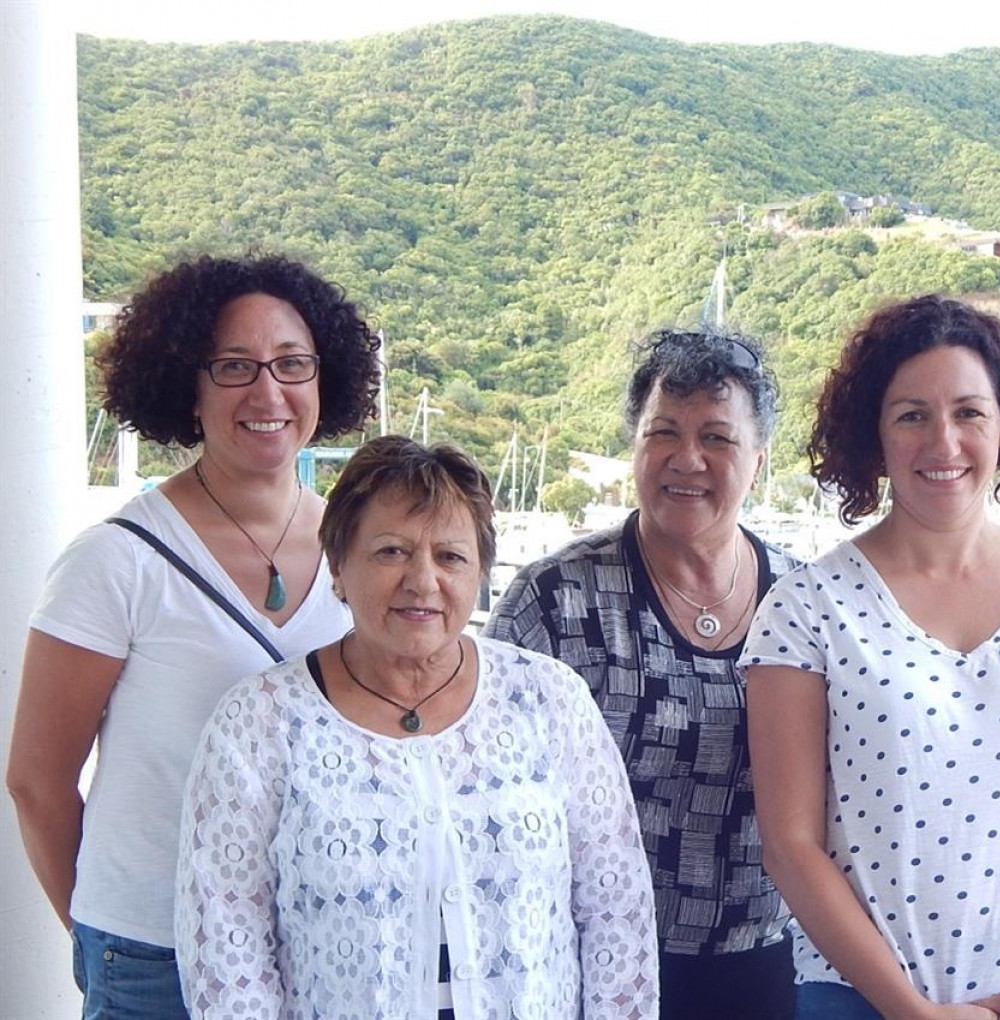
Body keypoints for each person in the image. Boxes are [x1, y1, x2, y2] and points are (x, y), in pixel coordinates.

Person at [741, 294, 1000, 1020]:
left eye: (969, 412)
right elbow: (791, 844)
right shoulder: (806, 610)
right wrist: (910, 1010)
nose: (944, 442)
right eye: (912, 415)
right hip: (864, 1003)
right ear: (874, 433)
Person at [6, 253, 379, 1019]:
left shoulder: (363, 543)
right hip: (157, 953)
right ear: (190, 386)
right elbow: (37, 780)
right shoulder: (116, 561)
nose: (268, 392)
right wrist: (98, 934)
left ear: (323, 379)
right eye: (235, 366)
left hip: (325, 943)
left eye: (291, 364)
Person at [174, 435, 658, 1019]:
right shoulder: (258, 724)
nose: (423, 580)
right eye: (391, 552)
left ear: (479, 571)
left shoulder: (549, 699)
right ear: (339, 566)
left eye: (450, 556)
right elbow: (228, 954)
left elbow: (616, 913)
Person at [485, 328, 800, 1020]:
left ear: (758, 459)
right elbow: (480, 797)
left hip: (763, 964)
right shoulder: (554, 600)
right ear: (635, 446)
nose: (687, 459)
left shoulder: (804, 603)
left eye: (717, 438)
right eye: (664, 433)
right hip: (587, 966)